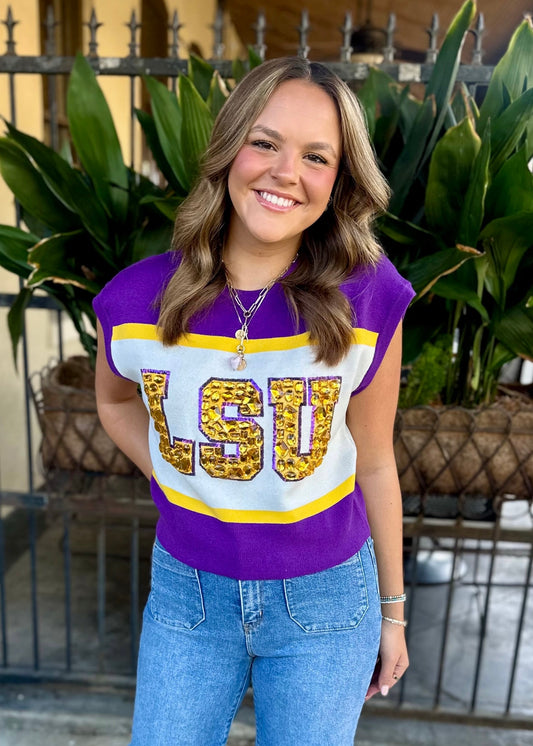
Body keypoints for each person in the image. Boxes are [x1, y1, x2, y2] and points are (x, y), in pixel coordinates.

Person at [94, 56, 413, 746]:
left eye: (316, 157)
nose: (285, 172)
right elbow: (115, 404)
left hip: (327, 599)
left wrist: (393, 612)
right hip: (188, 593)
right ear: (228, 149)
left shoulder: (367, 296)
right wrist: (181, 474)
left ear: (340, 180)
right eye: (264, 142)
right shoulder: (135, 300)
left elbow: (375, 460)